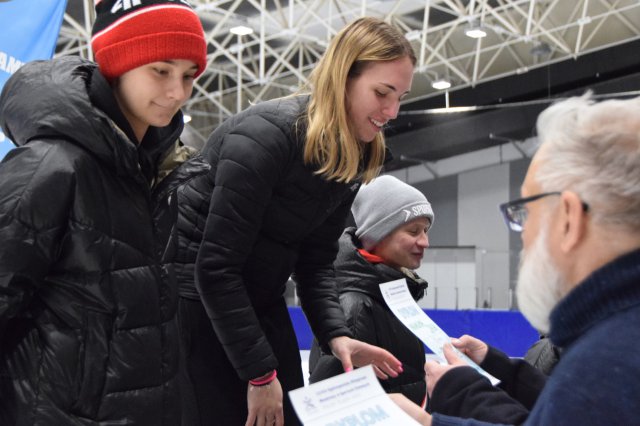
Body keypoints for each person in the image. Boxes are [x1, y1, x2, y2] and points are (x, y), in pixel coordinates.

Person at [174, 17, 416, 426]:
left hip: (260, 303)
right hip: (195, 309)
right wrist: (259, 372)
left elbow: (316, 261)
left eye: (401, 97)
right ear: (343, 77)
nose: (391, 112)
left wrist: (336, 335)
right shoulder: (263, 138)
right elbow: (214, 268)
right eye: (382, 93)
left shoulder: (351, 157)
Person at [0, 0, 207, 424]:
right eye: (161, 70)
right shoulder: (50, 168)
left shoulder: (159, 172)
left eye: (189, 75)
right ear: (116, 63)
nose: (178, 93)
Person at [392, 93, 640, 425]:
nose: (521, 232)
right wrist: (506, 374)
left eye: (526, 211)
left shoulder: (606, 363)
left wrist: (453, 404)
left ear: (568, 218)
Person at [308, 175, 433, 408]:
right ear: (379, 234)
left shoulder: (392, 295)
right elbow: (327, 408)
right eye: (414, 231)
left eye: (425, 230)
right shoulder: (355, 308)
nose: (425, 242)